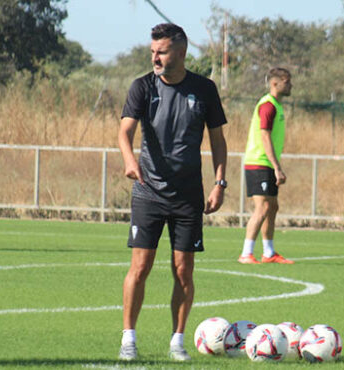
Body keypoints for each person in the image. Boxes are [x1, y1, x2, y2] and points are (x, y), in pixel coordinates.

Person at [117, 23, 228, 362]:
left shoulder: (204, 89)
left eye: (162, 51)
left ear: (181, 52)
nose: (155, 58)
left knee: (183, 270)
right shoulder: (142, 87)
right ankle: (128, 340)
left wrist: (220, 183)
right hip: (148, 192)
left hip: (188, 196)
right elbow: (124, 132)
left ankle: (178, 342)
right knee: (140, 267)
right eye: (152, 52)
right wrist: (130, 160)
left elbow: (218, 141)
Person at [238, 68, 293, 265]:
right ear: (275, 83)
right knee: (262, 208)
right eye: (287, 82)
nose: (291, 85)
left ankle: (269, 252)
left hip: (266, 164)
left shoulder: (276, 106)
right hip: (258, 163)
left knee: (272, 206)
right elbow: (264, 136)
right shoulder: (268, 106)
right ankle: (246, 253)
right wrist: (277, 167)